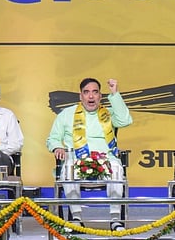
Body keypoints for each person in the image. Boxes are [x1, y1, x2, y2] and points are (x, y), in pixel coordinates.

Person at [46, 78, 132, 231]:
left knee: (117, 168)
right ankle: (76, 219)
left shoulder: (108, 113)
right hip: (77, 160)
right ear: (81, 96)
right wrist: (57, 147)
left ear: (100, 96)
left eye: (95, 92)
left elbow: (125, 120)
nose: (91, 97)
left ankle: (115, 220)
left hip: (105, 160)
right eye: (86, 92)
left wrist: (115, 94)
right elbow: (52, 138)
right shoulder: (67, 114)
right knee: (68, 169)